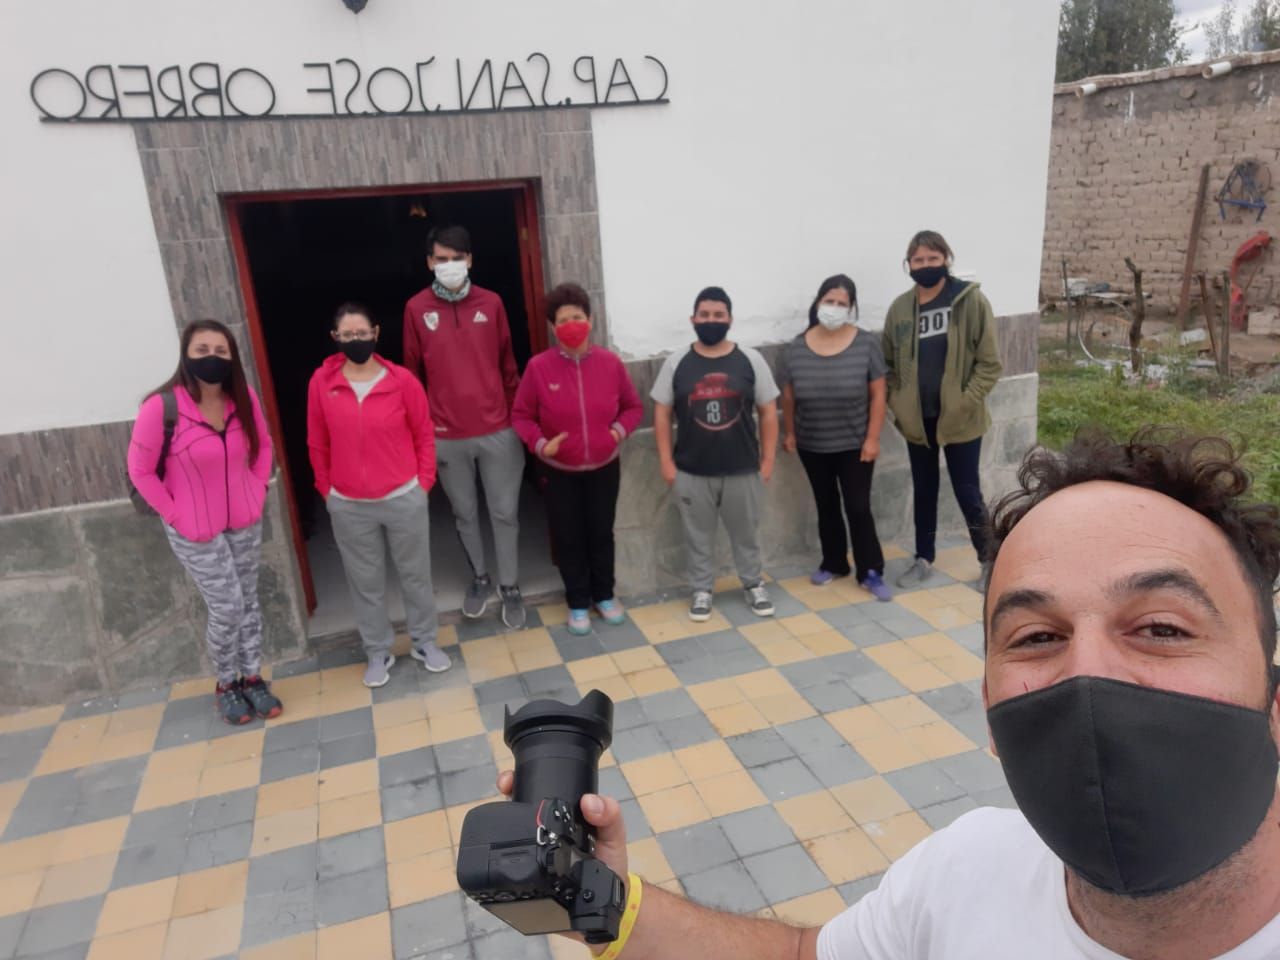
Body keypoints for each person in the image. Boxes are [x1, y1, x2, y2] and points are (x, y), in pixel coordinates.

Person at [497, 429, 1280, 959]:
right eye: (1037, 637)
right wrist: (602, 902)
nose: (1089, 675)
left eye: (1162, 628)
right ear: (991, 712)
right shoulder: (965, 872)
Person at [128, 319, 283, 725]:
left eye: (220, 351)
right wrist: (175, 514)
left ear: (232, 357)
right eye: (202, 350)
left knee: (248, 601)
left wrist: (257, 489)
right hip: (194, 530)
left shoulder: (242, 398)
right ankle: (226, 683)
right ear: (186, 355)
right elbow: (140, 471)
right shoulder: (160, 408)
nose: (211, 358)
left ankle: (253, 678)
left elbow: (264, 445)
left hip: (243, 521)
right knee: (228, 606)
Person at [307, 303, 449, 688]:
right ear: (336, 338)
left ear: (375, 333)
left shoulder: (402, 381)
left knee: (416, 576)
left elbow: (423, 434)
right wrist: (327, 490)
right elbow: (317, 441)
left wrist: (423, 484)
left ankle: (424, 642)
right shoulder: (321, 383)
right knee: (365, 582)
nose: (356, 340)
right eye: (347, 335)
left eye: (362, 332)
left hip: (403, 496)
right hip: (349, 503)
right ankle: (377, 650)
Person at [403, 225, 527, 629]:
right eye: (441, 259)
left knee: (505, 512)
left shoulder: (491, 303)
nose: (450, 265)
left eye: (457, 258)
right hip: (446, 434)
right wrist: (424, 428)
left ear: (470, 259)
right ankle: (480, 577)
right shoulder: (416, 309)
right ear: (429, 263)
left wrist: (515, 420)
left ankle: (510, 585)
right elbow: (411, 374)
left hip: (497, 428)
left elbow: (508, 364)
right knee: (465, 513)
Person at [511, 283, 643, 636]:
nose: (572, 325)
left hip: (604, 467)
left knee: (600, 532)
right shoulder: (539, 368)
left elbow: (633, 407)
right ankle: (578, 601)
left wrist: (615, 433)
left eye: (578, 317)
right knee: (568, 536)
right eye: (563, 320)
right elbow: (521, 416)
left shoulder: (610, 363)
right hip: (558, 471)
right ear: (553, 327)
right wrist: (541, 445)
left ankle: (605, 596)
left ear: (590, 320)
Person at [651, 287, 780, 622]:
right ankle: (701, 590)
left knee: (746, 534)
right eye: (705, 315)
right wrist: (666, 462)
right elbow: (662, 413)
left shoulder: (750, 359)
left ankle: (753, 584)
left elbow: (768, 411)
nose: (711, 320)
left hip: (743, 468)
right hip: (692, 470)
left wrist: (767, 461)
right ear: (693, 319)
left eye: (718, 315)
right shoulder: (676, 362)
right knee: (697, 535)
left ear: (730, 319)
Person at [882, 230, 1002, 588]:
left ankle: (989, 561)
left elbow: (990, 364)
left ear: (946, 260)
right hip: (918, 422)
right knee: (924, 489)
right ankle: (923, 558)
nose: (925, 266)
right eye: (918, 260)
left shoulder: (970, 301)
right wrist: (898, 404)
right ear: (908, 264)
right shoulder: (900, 309)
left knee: (968, 491)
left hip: (961, 420)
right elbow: (887, 364)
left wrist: (964, 402)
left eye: (932, 259)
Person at [779, 274, 891, 600]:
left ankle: (870, 570)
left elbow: (879, 394)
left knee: (858, 506)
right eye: (830, 301)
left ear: (851, 308)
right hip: (812, 443)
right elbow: (788, 396)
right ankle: (834, 562)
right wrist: (790, 433)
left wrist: (873, 438)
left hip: (855, 444)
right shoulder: (797, 347)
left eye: (842, 303)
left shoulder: (866, 344)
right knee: (826, 504)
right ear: (818, 302)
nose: (834, 308)